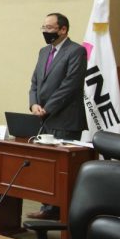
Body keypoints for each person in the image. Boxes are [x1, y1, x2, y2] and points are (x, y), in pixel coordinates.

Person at [26, 12, 87, 219]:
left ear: (63, 29)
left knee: (62, 169)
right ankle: (48, 209)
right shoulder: (44, 51)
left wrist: (48, 107)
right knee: (46, 166)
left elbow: (70, 85)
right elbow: (35, 81)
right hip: (44, 117)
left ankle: (62, 213)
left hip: (65, 119)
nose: (46, 31)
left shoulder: (76, 51)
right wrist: (34, 104)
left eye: (50, 28)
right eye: (44, 27)